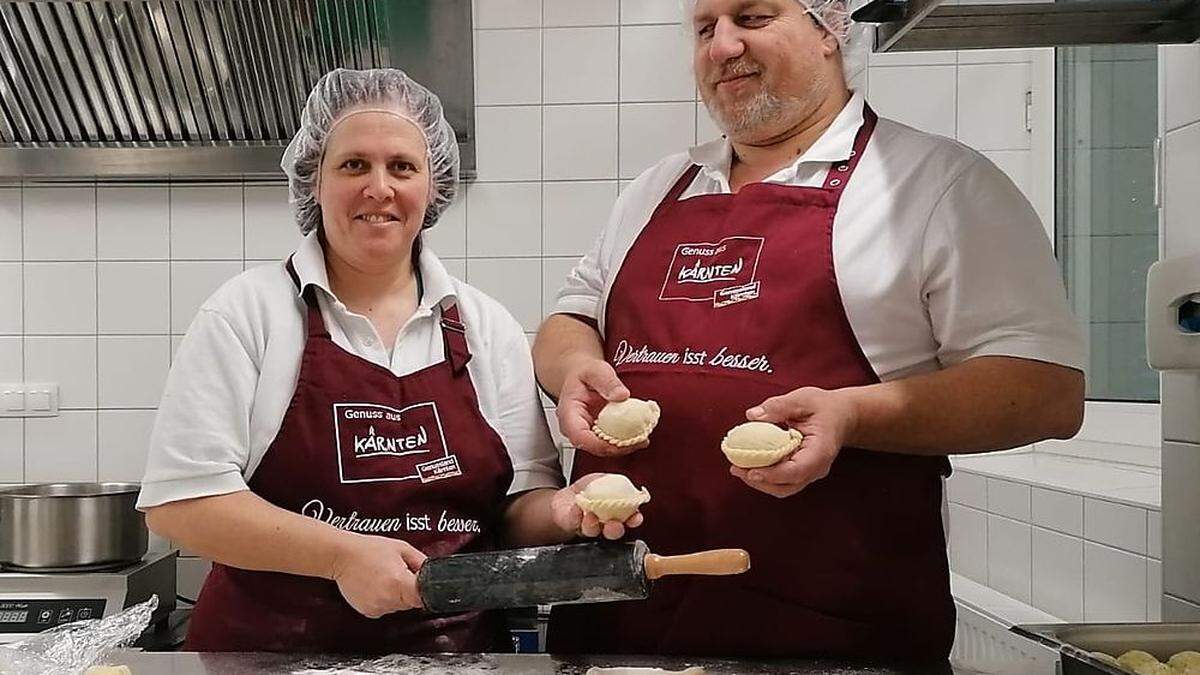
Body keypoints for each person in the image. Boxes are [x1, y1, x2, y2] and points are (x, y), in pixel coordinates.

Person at [533, 0, 1085, 662]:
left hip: (828, 637)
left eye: (752, 17)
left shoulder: (936, 186)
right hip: (616, 634)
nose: (721, 47)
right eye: (706, 28)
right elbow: (571, 317)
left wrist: (853, 415)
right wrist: (571, 372)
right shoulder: (658, 188)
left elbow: (1047, 389)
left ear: (830, 30)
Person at [137, 68, 640, 654]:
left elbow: (516, 504)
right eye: (354, 165)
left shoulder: (486, 326)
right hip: (270, 656)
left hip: (458, 656)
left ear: (432, 188)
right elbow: (181, 504)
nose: (380, 187)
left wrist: (563, 509)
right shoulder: (249, 314)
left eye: (402, 166)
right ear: (314, 182)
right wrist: (340, 556)